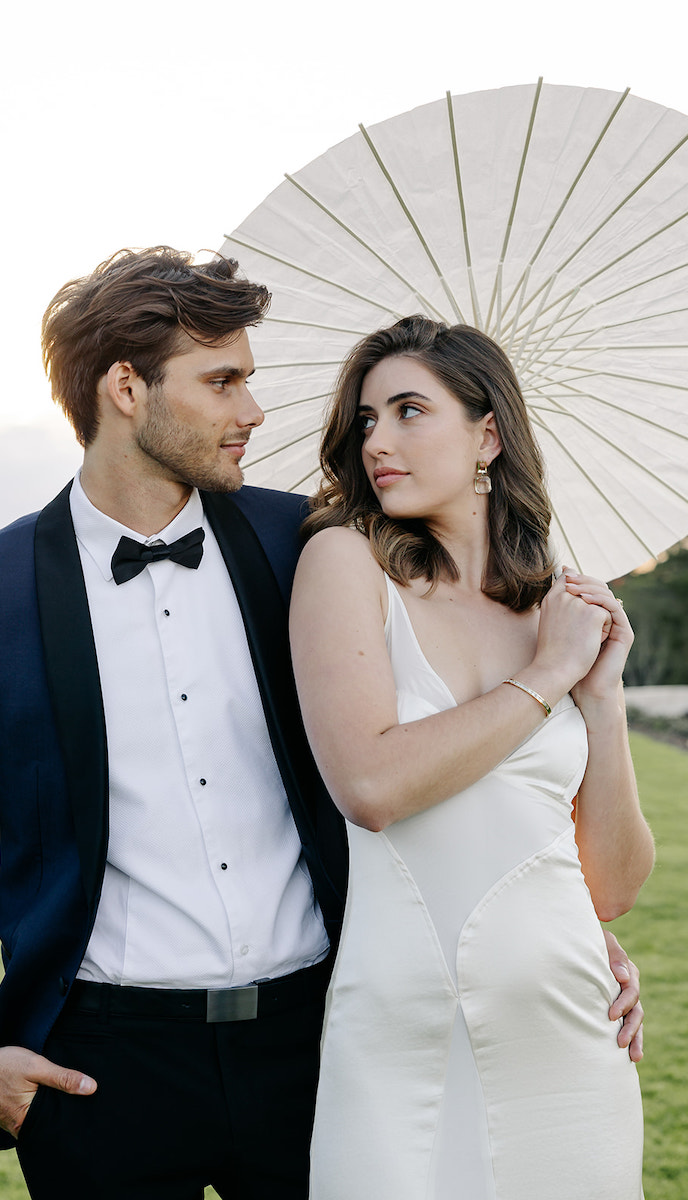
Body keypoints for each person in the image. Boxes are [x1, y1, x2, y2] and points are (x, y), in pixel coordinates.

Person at [0, 256, 641, 1200]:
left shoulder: (315, 547)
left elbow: (420, 742)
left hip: (317, 1045)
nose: (252, 411)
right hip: (97, 1071)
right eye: (223, 382)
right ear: (126, 388)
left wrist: (556, 929)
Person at [289, 316, 654, 1200]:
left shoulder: (557, 611)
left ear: (487, 433)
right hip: (400, 1036)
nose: (378, 440)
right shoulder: (345, 563)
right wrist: (546, 679)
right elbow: (371, 786)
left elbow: (609, 888)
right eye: (366, 420)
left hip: (570, 1033)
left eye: (410, 410)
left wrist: (599, 697)